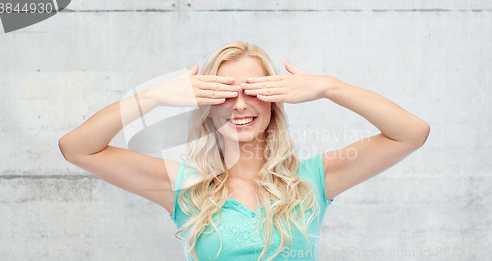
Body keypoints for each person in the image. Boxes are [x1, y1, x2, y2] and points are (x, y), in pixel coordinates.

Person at [59, 41, 430, 261]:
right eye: (224, 91)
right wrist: (152, 96)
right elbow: (77, 148)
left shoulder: (314, 179)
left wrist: (330, 87)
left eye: (252, 90)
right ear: (206, 104)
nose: (238, 105)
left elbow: (411, 133)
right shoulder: (184, 186)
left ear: (275, 102)